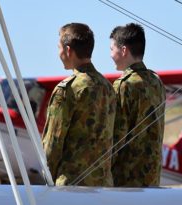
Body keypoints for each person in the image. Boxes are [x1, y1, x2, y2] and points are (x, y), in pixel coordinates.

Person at [42, 23, 116, 186]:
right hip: (104, 185)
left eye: (59, 47)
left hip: (73, 187)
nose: (59, 53)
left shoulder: (67, 89)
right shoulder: (108, 87)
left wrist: (45, 180)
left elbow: (53, 143)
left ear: (68, 50)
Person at [109, 23, 166, 187]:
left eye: (112, 49)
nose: (110, 55)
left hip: (127, 179)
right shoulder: (156, 81)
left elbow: (117, 136)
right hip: (152, 177)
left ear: (124, 50)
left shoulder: (124, 85)